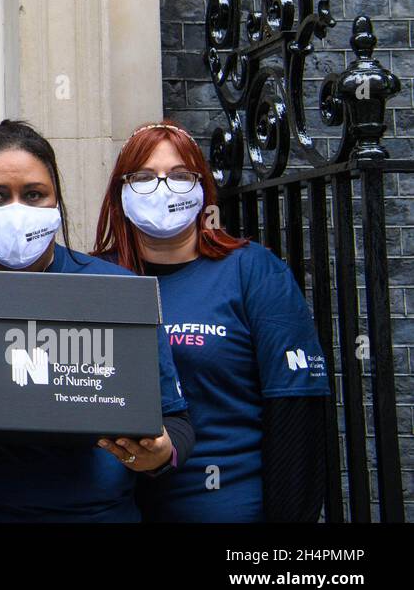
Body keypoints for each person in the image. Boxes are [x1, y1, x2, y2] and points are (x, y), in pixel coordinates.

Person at [0, 119, 194, 522]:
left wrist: (157, 454)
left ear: (56, 202)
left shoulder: (116, 290)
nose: (17, 209)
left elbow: (174, 420)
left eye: (34, 194)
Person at [92, 120, 330, 522]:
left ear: (203, 189)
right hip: (107, 505)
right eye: (144, 177)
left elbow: (296, 407)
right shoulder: (91, 277)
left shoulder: (253, 271)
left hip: (222, 502)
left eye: (180, 176)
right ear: (121, 191)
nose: (163, 188)